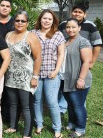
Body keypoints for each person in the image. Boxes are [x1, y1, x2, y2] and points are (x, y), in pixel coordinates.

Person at [58, 3, 102, 114]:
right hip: (65, 64)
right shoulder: (63, 24)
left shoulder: (90, 25)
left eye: (80, 12)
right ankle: (63, 110)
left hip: (81, 62)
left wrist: (91, 62)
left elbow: (97, 44)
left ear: (84, 14)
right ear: (71, 12)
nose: (77, 14)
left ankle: (80, 114)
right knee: (65, 89)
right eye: (75, 11)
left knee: (79, 93)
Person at [4, 10, 41, 138]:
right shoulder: (8, 35)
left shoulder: (31, 36)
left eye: (23, 21)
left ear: (27, 23)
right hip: (10, 75)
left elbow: (37, 58)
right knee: (13, 103)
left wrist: (35, 77)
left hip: (26, 76)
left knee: (26, 105)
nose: (19, 23)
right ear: (14, 21)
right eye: (17, 20)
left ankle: (27, 134)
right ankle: (13, 127)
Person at [31, 9, 65, 138]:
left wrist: (56, 71)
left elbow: (61, 54)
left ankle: (57, 129)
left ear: (53, 21)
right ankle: (39, 125)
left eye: (49, 19)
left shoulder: (58, 34)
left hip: (52, 74)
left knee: (52, 102)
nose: (46, 21)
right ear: (40, 19)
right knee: (37, 100)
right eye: (44, 18)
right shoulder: (33, 34)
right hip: (36, 74)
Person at [62, 18, 92, 138]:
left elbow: (86, 62)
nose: (70, 29)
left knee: (78, 105)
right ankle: (72, 123)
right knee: (70, 103)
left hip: (78, 79)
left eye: (73, 27)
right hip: (66, 79)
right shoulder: (65, 41)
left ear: (79, 28)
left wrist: (81, 79)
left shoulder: (83, 42)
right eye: (68, 27)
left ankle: (80, 128)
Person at [0, 0, 15, 123]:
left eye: (7, 6)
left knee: (9, 89)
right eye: (2, 5)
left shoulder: (15, 22)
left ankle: (8, 116)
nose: (5, 8)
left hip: (12, 61)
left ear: (10, 9)